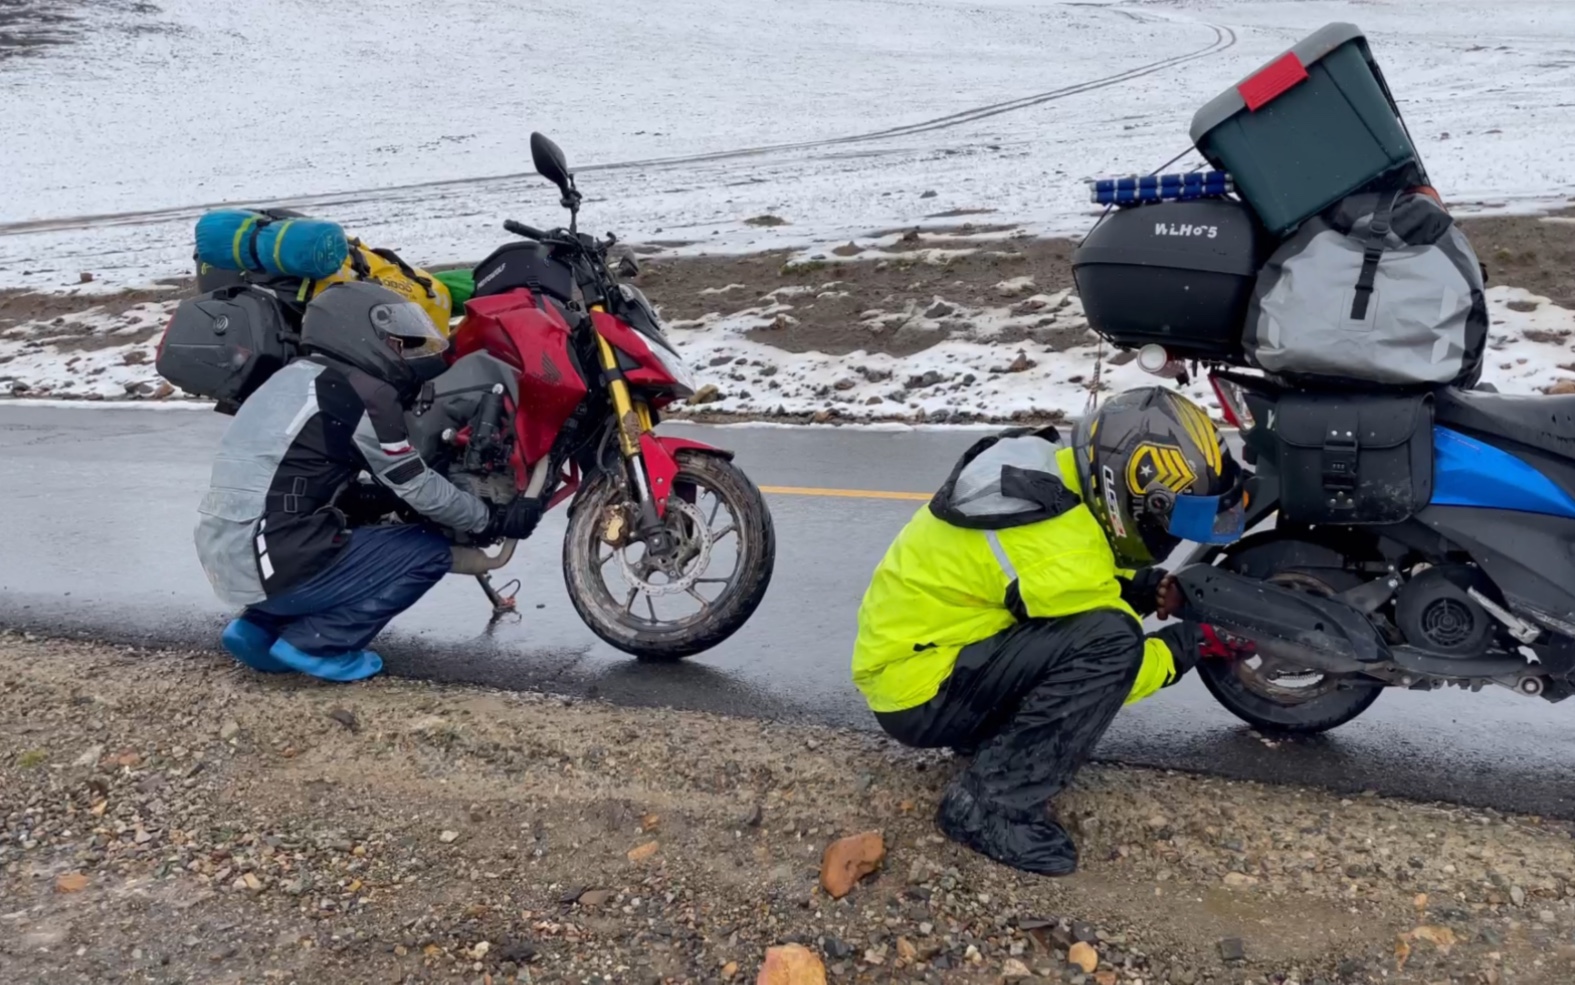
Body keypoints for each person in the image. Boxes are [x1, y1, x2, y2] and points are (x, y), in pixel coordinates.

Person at [850, 386, 1254, 875]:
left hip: (930, 650)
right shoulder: (1064, 551)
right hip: (916, 692)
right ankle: (989, 806)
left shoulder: (1056, 480)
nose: (1180, 535)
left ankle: (988, 741)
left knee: (1102, 630)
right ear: (1129, 494)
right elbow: (1111, 665)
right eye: (1178, 518)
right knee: (1113, 640)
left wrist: (1147, 589)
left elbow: (1065, 582)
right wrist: (1189, 646)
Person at [193, 281, 542, 681]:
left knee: (324, 532)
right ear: (356, 331)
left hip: (225, 554)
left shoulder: (289, 379)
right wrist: (490, 519)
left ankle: (256, 628)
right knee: (427, 551)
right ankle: (319, 644)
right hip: (274, 561)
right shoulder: (363, 392)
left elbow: (295, 476)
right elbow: (419, 487)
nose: (401, 355)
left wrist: (376, 499)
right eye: (395, 344)